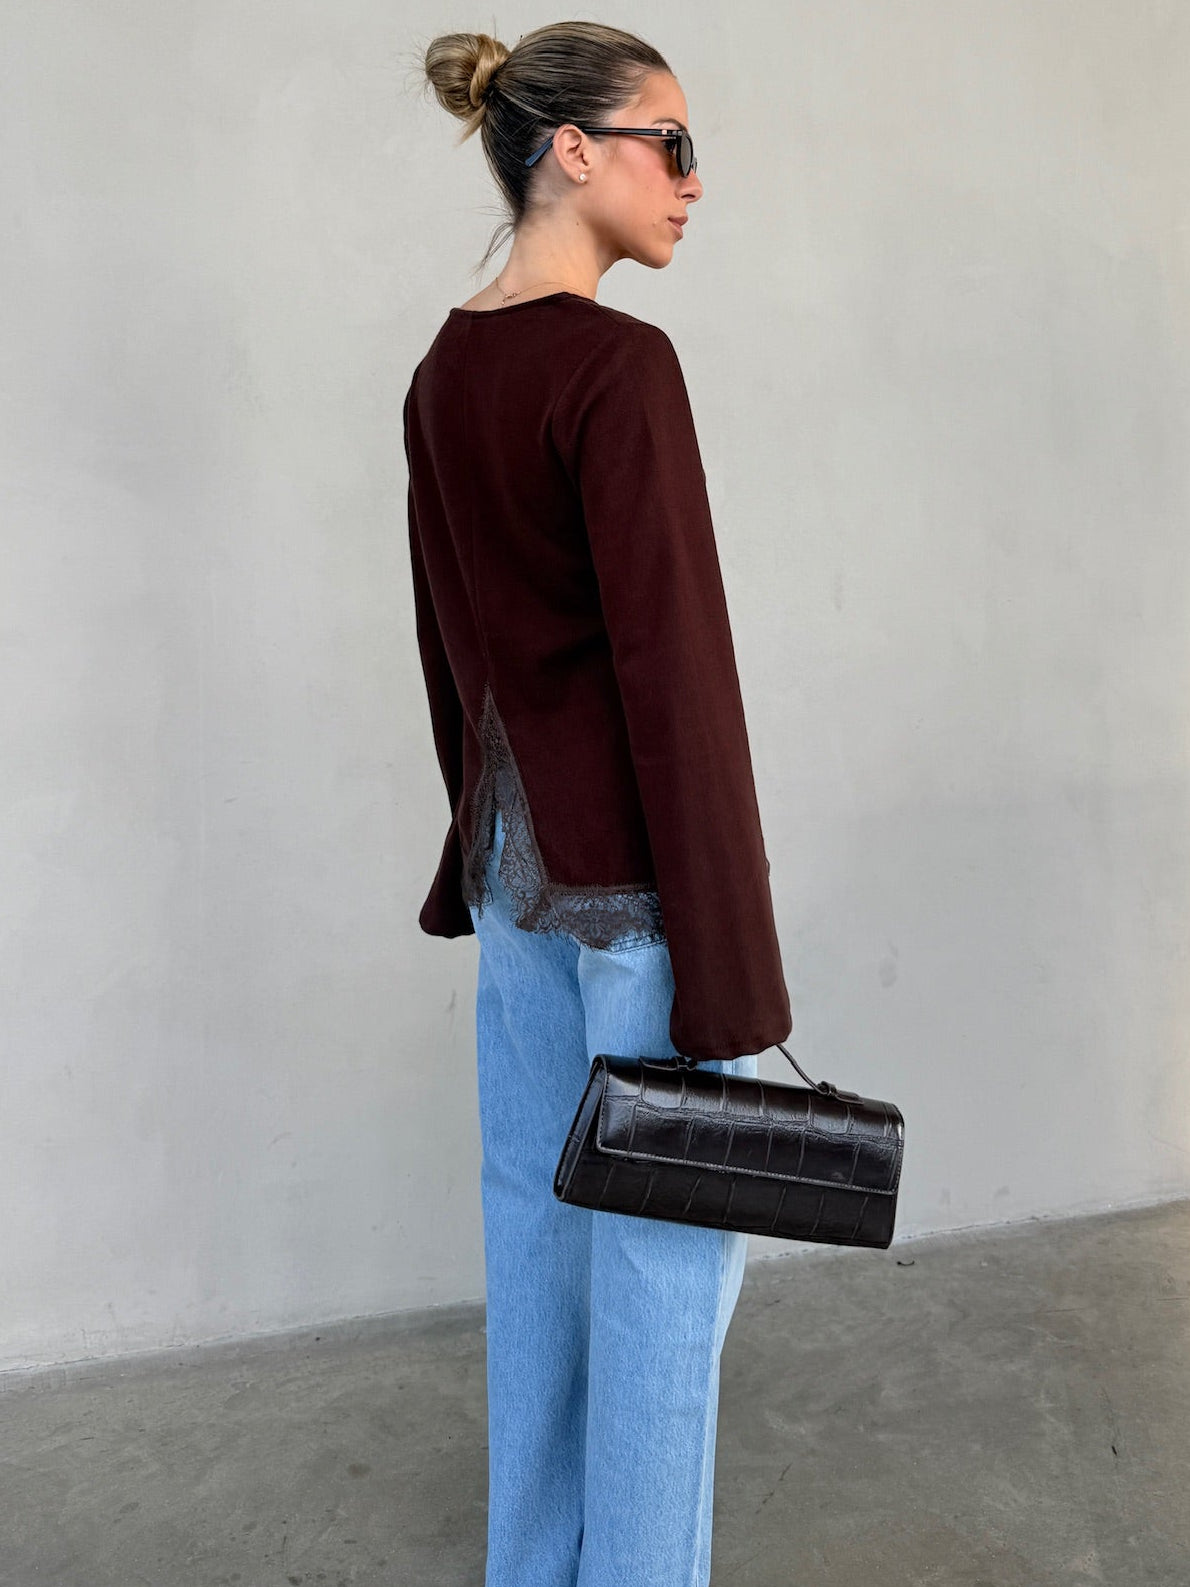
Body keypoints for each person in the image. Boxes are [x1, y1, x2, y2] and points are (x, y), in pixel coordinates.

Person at [404, 22, 792, 1587]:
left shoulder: (447, 366)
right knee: (662, 1262)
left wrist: (482, 839)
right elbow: (672, 677)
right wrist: (731, 967)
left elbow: (449, 647)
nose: (693, 181)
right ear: (572, 150)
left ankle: (538, 1567)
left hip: (509, 868)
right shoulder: (619, 368)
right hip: (633, 891)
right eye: (670, 144)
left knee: (538, 1233)